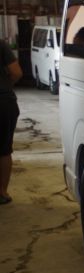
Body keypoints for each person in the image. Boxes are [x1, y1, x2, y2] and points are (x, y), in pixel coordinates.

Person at [0, 38, 22, 204]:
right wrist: (5, 86)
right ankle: (2, 193)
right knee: (4, 150)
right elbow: (16, 72)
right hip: (3, 102)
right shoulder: (0, 45)